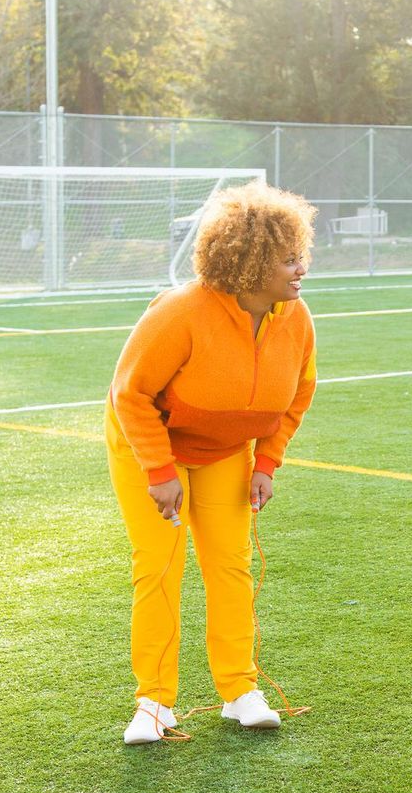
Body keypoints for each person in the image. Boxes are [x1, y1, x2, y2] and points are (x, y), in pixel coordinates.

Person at [106, 182, 317, 745]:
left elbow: (297, 395)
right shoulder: (180, 313)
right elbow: (129, 395)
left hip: (226, 453)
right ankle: (154, 703)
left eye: (300, 255)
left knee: (230, 565)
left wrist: (267, 462)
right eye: (287, 259)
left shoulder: (295, 319)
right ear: (247, 264)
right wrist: (158, 471)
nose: (301, 270)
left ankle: (239, 691)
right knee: (159, 566)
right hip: (151, 445)